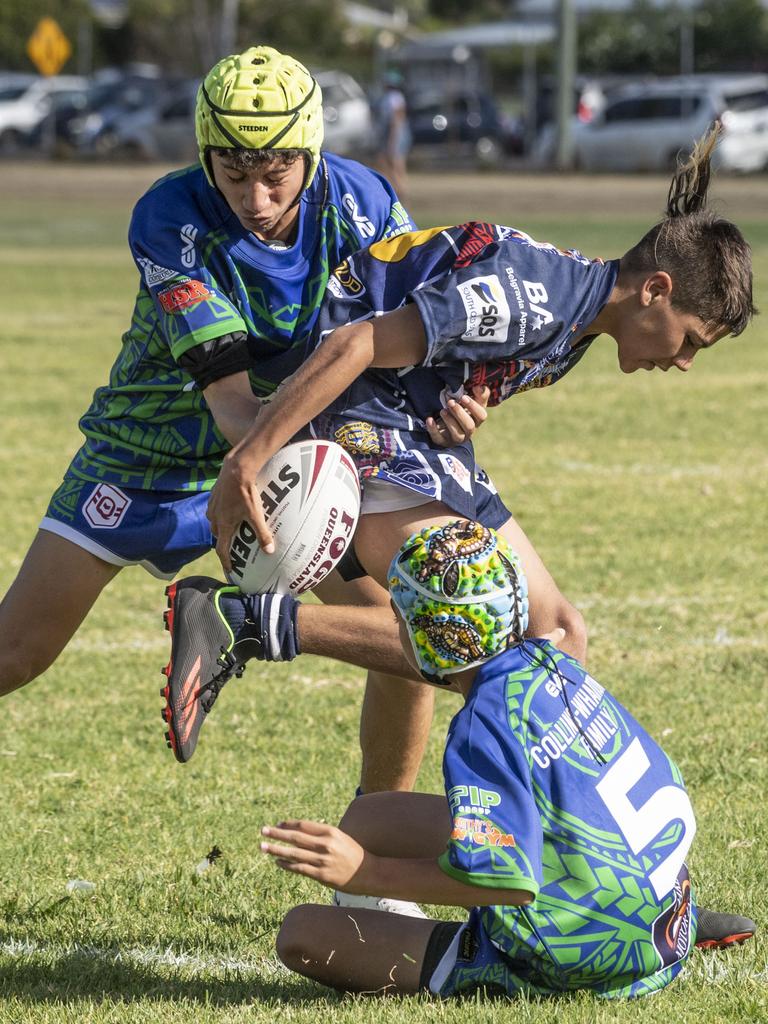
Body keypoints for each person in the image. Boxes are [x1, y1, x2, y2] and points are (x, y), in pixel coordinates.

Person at [0, 46, 498, 810]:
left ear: (312, 152)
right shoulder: (171, 215)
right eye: (234, 176)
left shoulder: (365, 205)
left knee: (403, 636)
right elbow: (230, 401)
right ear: (206, 157)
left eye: (275, 175)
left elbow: (415, 338)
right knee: (17, 651)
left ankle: (374, 846)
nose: (257, 198)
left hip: (288, 450)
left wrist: (453, 401)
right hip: (151, 452)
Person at [168, 127, 754, 761]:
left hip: (410, 426)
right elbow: (355, 343)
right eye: (692, 340)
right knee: (466, 632)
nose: (687, 361)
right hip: (358, 410)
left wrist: (457, 407)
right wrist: (249, 458)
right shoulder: (533, 301)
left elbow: (436, 342)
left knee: (557, 632)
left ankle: (390, 826)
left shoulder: (574, 320)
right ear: (656, 291)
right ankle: (242, 621)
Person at [261, 521, 756, 998]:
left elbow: (506, 883)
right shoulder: (553, 663)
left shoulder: (483, 727)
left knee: (302, 935)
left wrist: (365, 872)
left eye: (402, 620)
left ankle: (482, 964)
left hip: (593, 962)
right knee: (372, 815)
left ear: (434, 634)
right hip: (663, 912)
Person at [375, 69, 411, 201]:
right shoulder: (390, 97)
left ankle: (401, 193)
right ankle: (397, 191)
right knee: (388, 164)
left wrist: (392, 140)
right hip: (392, 134)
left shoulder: (394, 97)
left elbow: (396, 120)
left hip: (395, 134)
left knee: (396, 165)